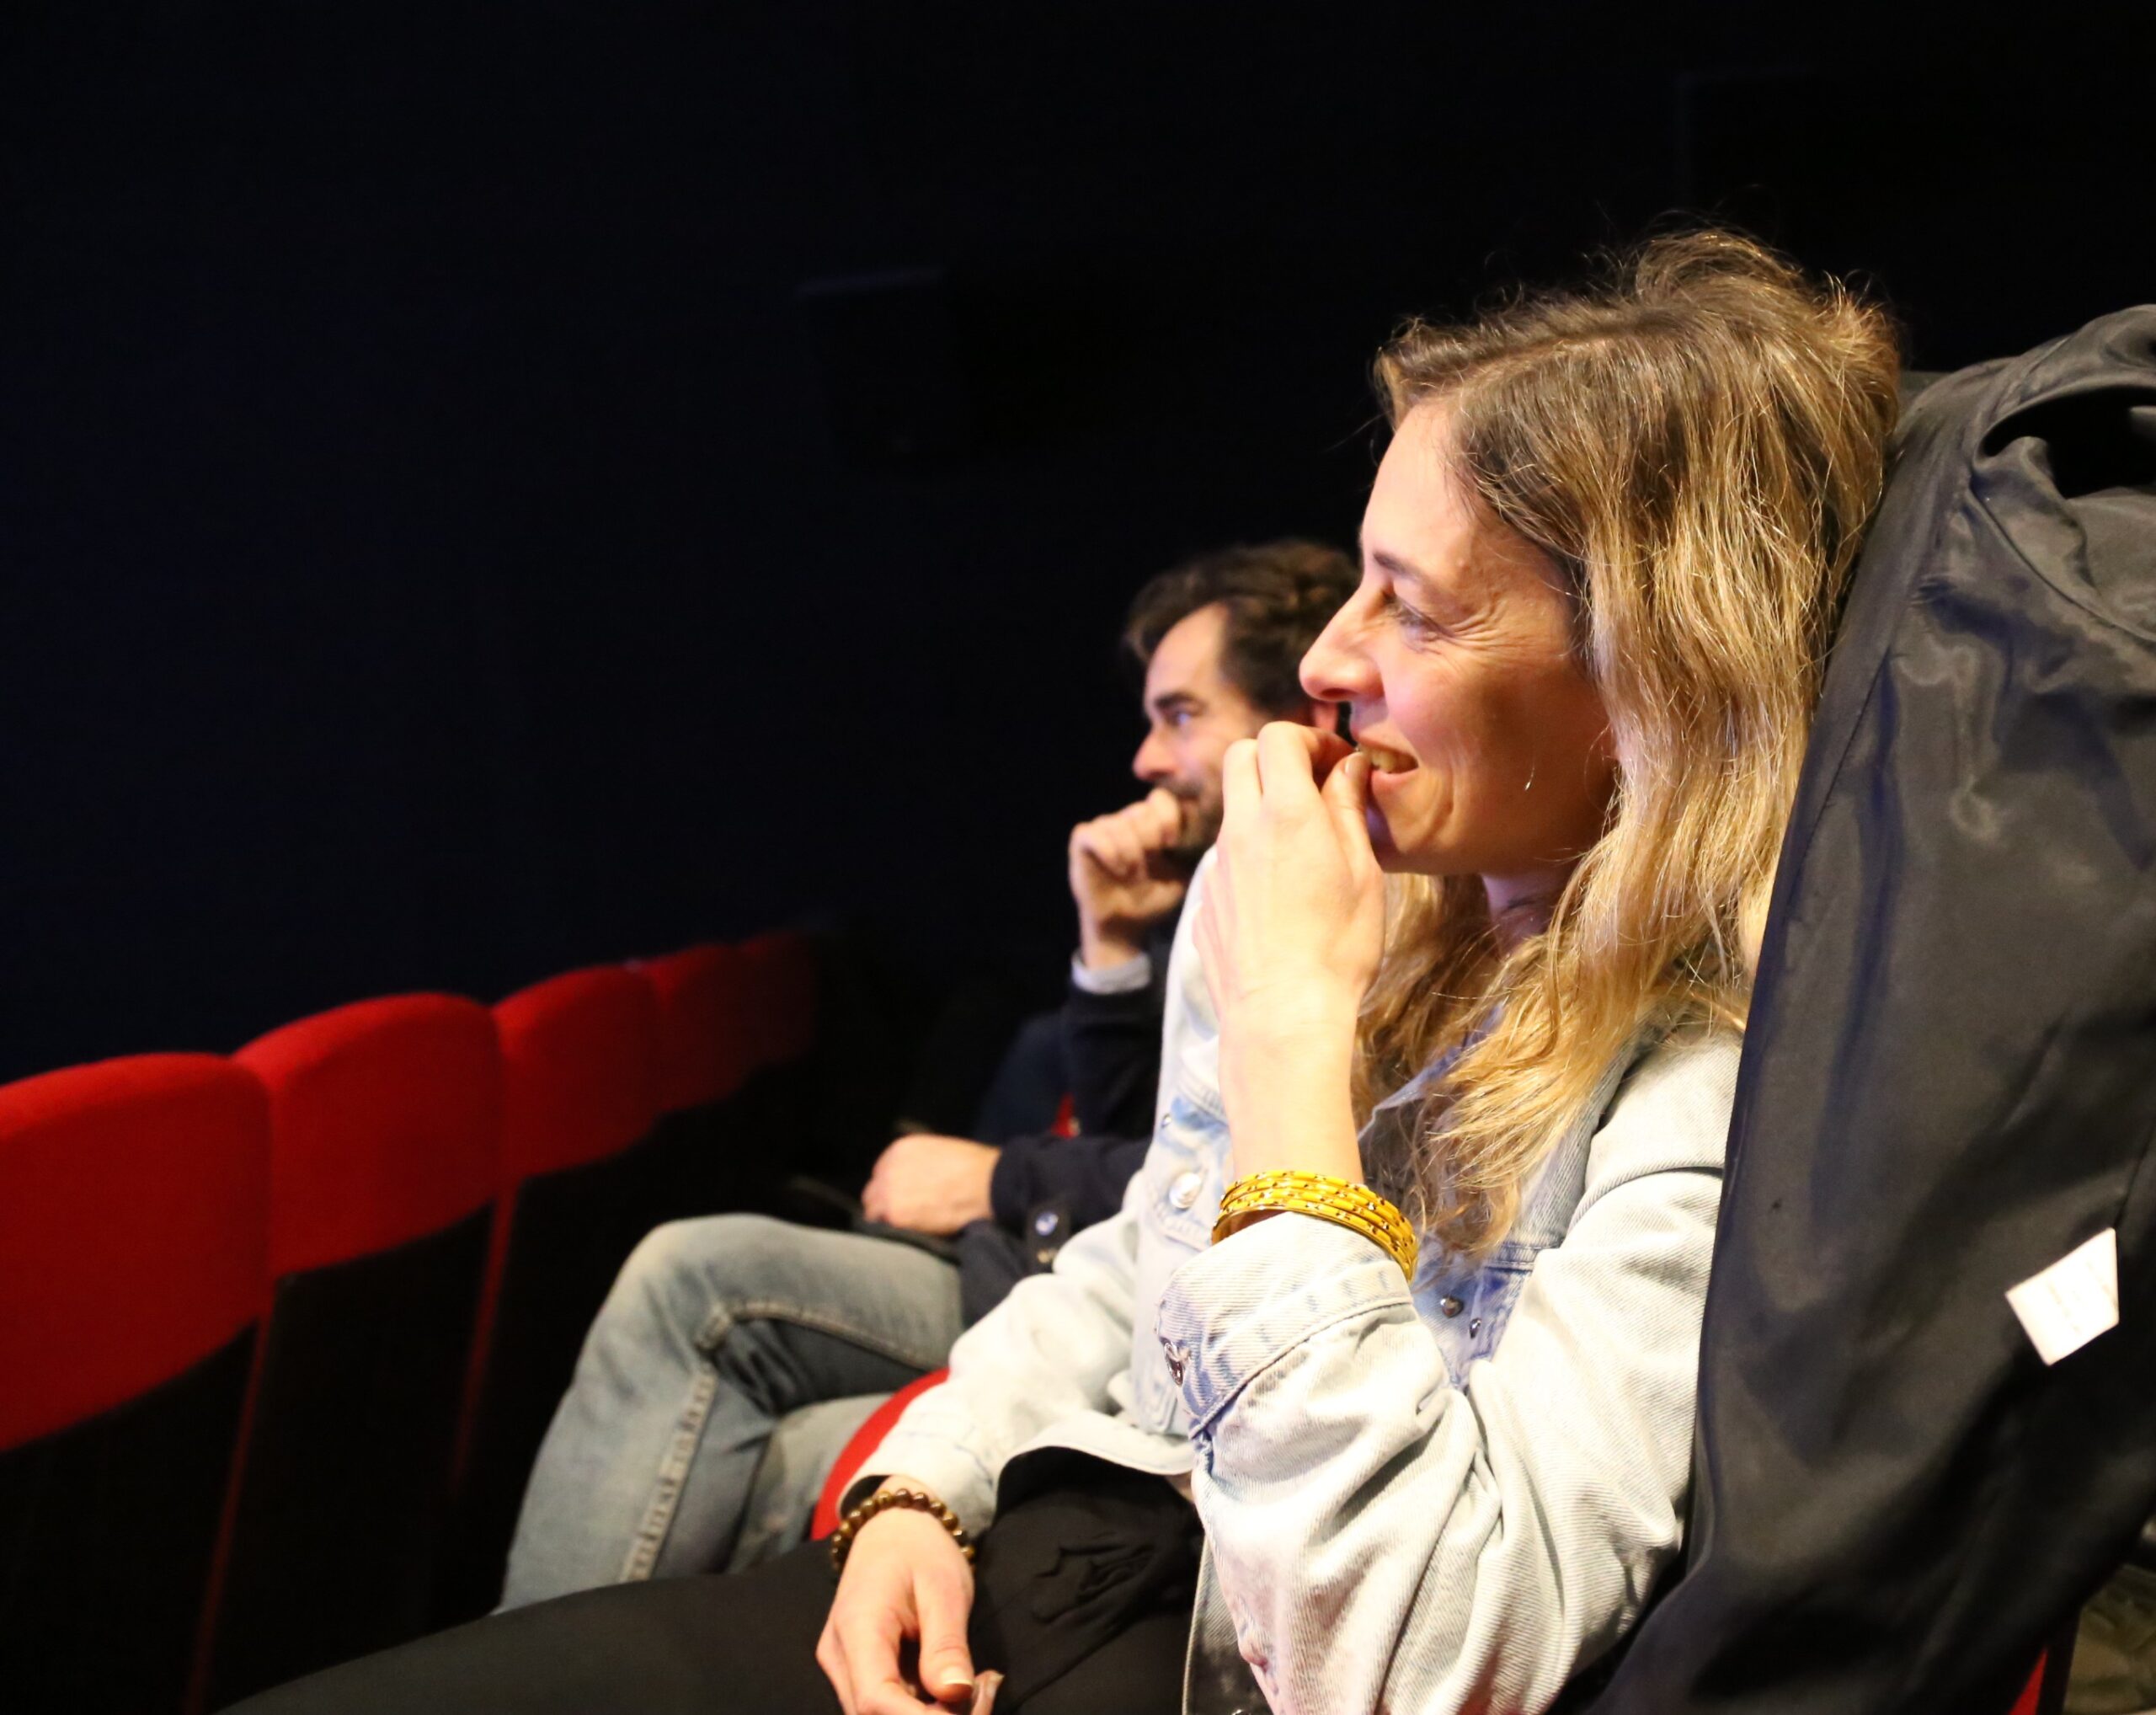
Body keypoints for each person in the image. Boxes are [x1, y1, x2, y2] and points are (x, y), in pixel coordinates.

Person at [223, 229, 1901, 1715]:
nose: (1328, 663)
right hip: (1083, 1542)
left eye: (1412, 607)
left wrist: (1289, 1037)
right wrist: (925, 1481)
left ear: (1648, 677)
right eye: (1357, 582)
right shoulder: (1395, 910)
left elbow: (1411, 1657)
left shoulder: (1724, 1074)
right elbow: (1146, 1253)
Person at [495, 543, 1353, 1606]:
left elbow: (1217, 1196)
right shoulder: (1225, 890)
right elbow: (1158, 1153)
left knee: (693, 1294)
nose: (1143, 758)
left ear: (1302, 719)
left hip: (1116, 1323)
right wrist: (1108, 951)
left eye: (1179, 715)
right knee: (717, 1398)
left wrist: (999, 1177)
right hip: (1060, 1280)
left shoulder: (1338, 904)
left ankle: (526, 1662)